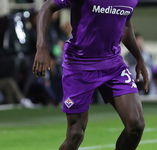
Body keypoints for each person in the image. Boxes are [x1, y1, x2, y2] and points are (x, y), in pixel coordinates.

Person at [32, 0, 149, 150]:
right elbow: (48, 7)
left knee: (136, 125)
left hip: (113, 64)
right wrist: (41, 46)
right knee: (76, 134)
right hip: (79, 64)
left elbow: (125, 24)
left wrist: (139, 57)